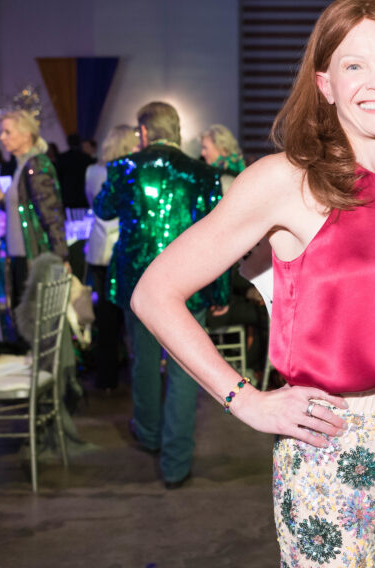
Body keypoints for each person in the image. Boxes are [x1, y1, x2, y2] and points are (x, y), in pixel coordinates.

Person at [130, 0, 375, 562]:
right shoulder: (286, 180)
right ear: (326, 85)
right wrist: (245, 400)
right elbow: (155, 293)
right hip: (331, 456)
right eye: (353, 66)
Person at [93, 103, 229, 488]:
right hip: (190, 283)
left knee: (144, 363)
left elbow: (102, 211)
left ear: (143, 132)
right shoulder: (202, 172)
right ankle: (176, 464)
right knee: (187, 372)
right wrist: (220, 290)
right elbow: (218, 236)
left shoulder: (124, 168)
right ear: (178, 129)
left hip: (139, 286)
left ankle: (150, 435)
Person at [0, 109, 67, 312]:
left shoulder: (36, 164)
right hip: (21, 253)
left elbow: (51, 213)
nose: (2, 137)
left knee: (37, 318)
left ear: (26, 134)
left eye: (7, 132)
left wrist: (60, 257)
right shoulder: (22, 165)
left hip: (34, 255)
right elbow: (20, 209)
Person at [85, 124, 138, 391]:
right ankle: (126, 374)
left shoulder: (93, 171)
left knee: (106, 318)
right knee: (123, 315)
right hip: (119, 249)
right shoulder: (127, 173)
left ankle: (106, 377)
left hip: (97, 249)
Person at [57, 133, 95, 209]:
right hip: (83, 195)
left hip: (68, 196)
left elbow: (59, 177)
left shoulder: (62, 158)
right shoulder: (87, 158)